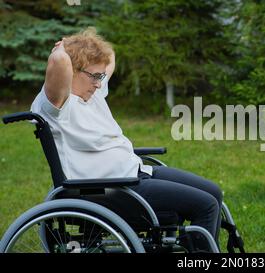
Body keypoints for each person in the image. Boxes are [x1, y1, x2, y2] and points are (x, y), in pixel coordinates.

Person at [30, 27, 223, 252]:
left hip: (134, 174)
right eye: (94, 76)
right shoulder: (57, 106)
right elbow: (58, 63)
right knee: (206, 206)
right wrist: (63, 49)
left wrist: (86, 47)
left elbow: (109, 55)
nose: (99, 83)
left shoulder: (93, 95)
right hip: (109, 189)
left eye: (100, 76)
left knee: (213, 192)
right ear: (72, 70)